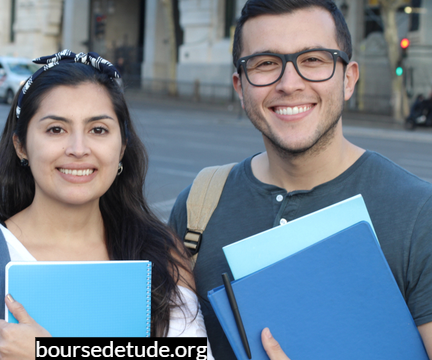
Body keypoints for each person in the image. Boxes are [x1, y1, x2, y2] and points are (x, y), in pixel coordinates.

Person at [167, 1, 432, 359]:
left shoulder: (419, 214)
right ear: (240, 87)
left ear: (349, 78)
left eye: (313, 60)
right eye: (265, 64)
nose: (289, 84)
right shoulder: (197, 206)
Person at [0, 50, 217, 359]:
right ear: (21, 145)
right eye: (56, 129)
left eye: (98, 130)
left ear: (122, 147)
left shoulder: (161, 252)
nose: (78, 149)